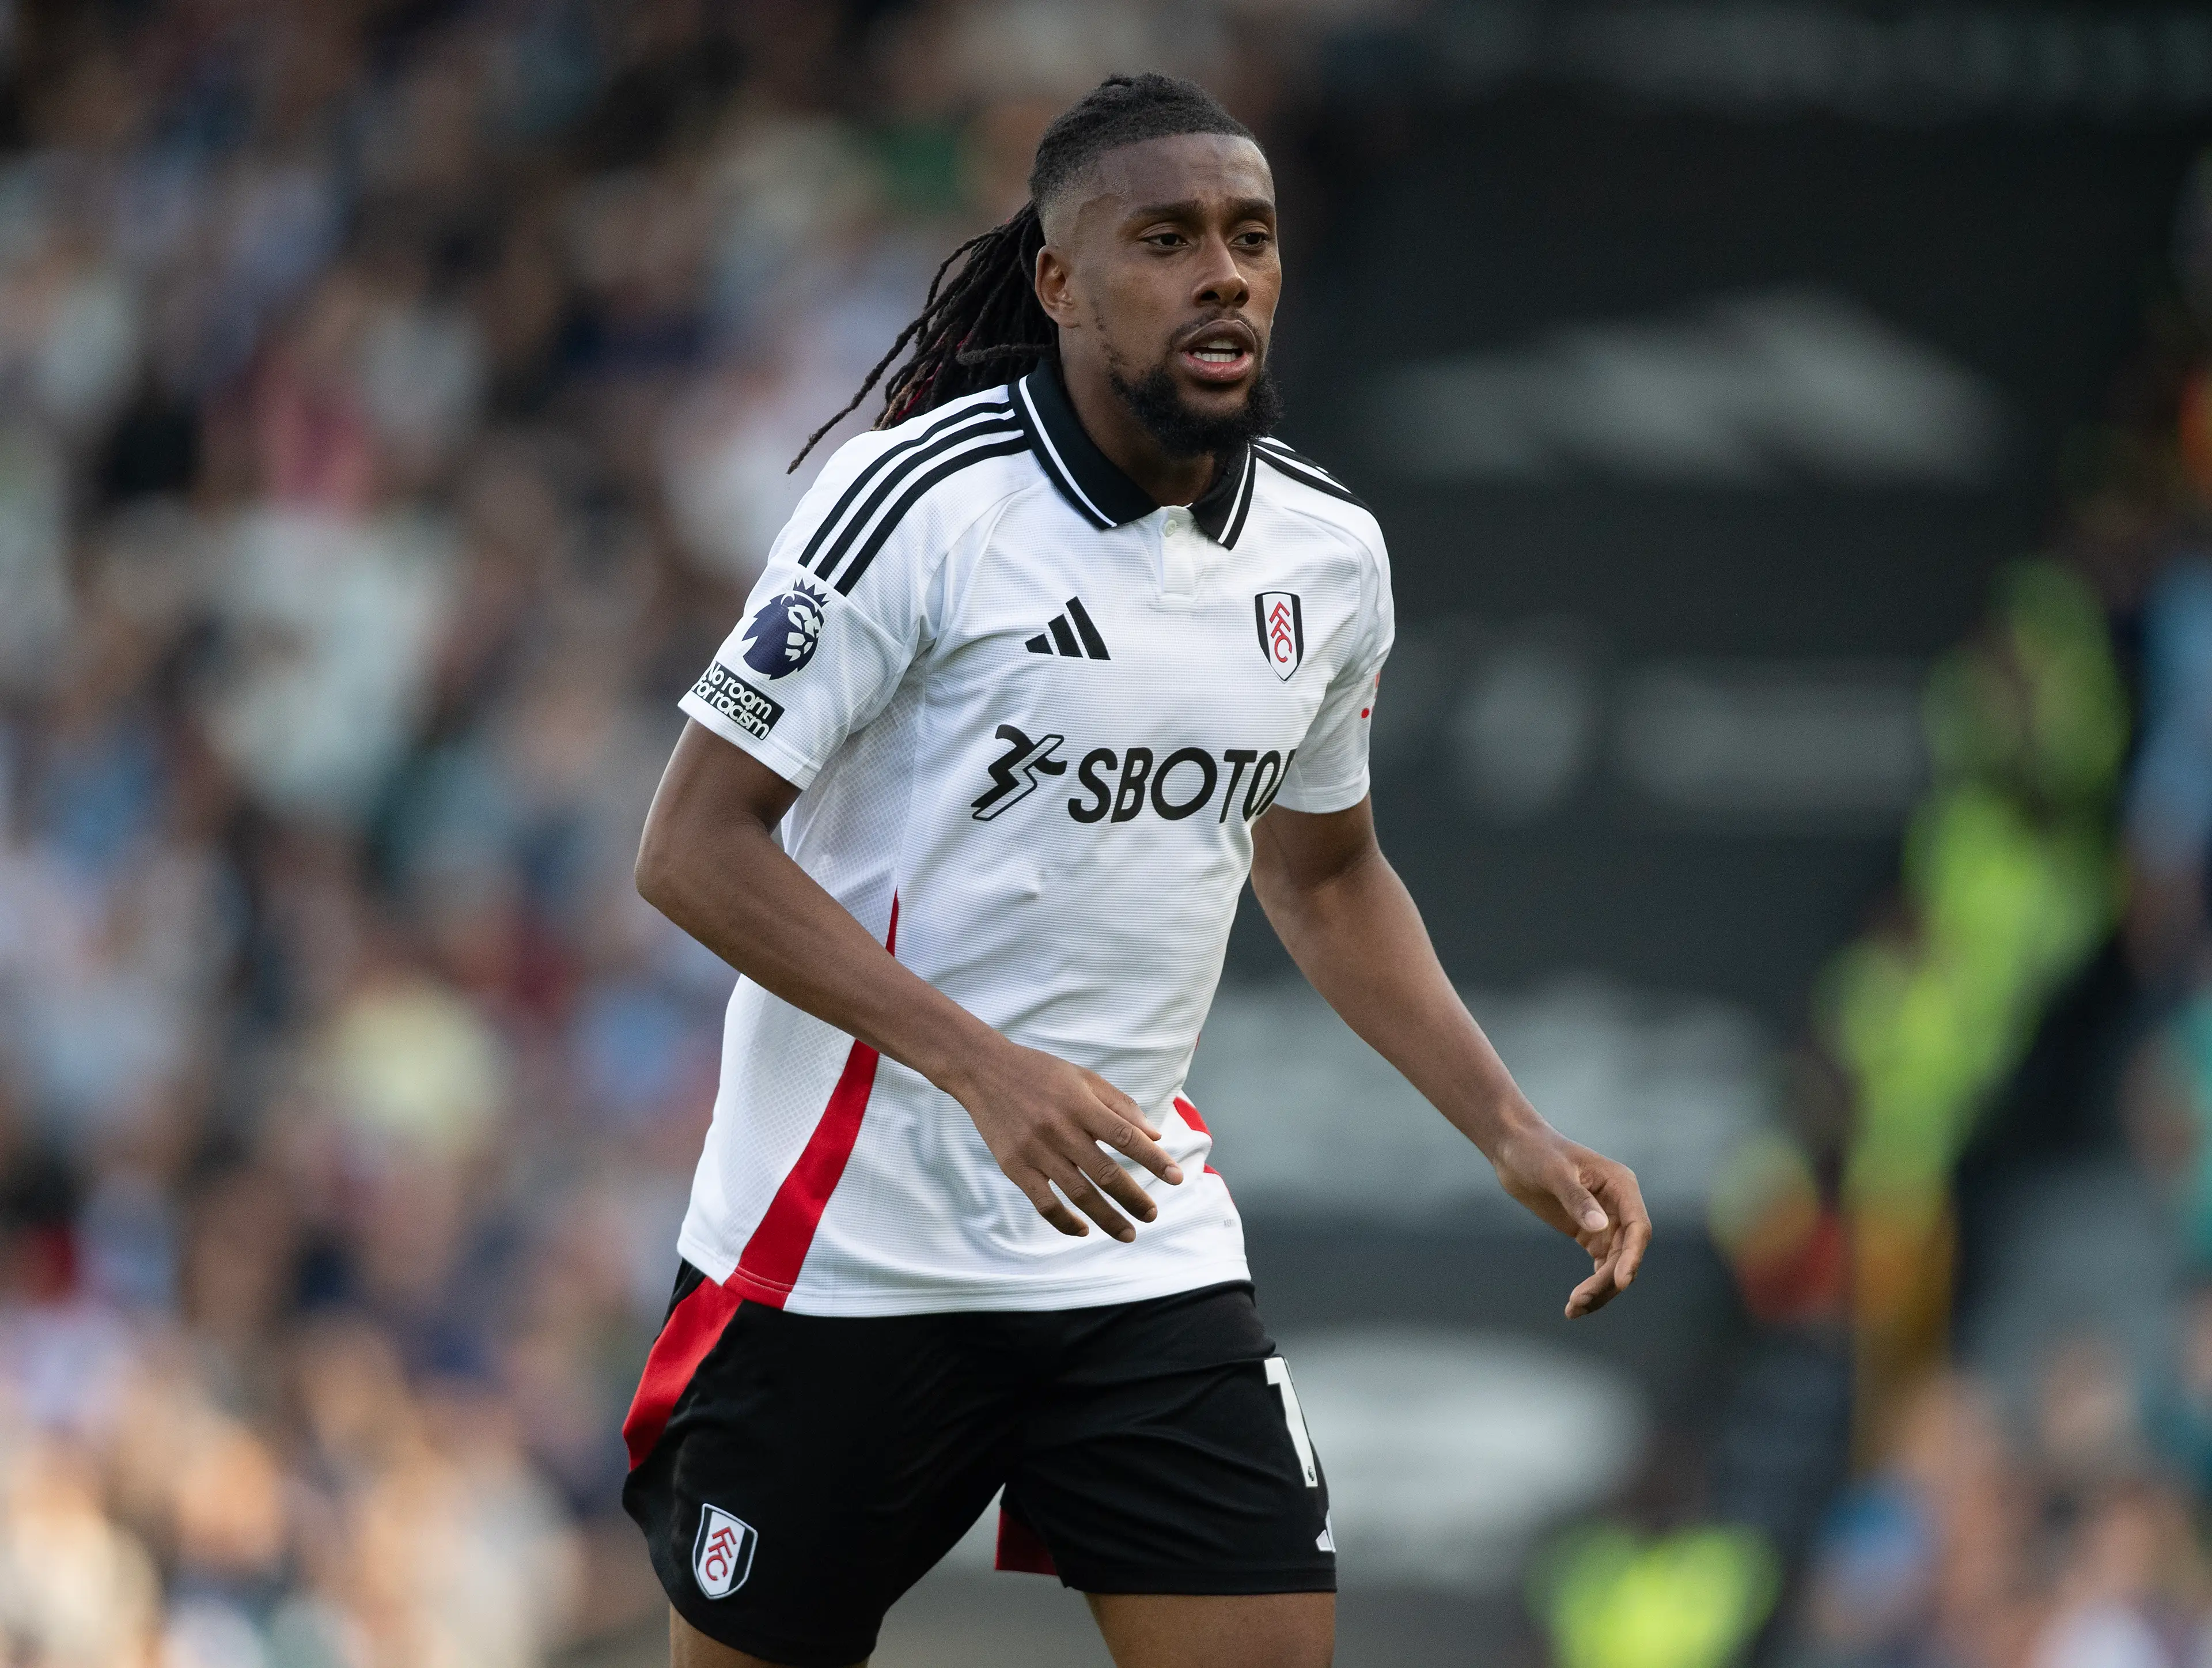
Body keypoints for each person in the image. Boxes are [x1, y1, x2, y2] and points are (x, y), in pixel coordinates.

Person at [621, 72, 1652, 1668]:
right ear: (1058, 278)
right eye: (1165, 238)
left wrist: (1507, 1126)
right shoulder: (917, 507)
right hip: (846, 1246)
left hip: (1130, 1235)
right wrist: (983, 1070)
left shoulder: (1328, 555)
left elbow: (1326, 877)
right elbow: (689, 846)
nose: (1223, 272)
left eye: (1250, 237)